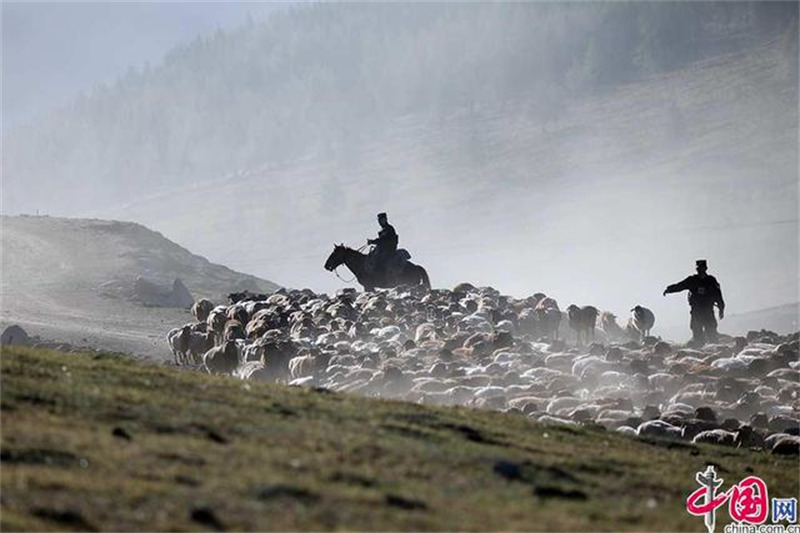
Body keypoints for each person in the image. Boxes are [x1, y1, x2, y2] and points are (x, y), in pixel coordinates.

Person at [663, 259, 725, 345]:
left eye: (702, 268)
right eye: (699, 269)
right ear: (697, 269)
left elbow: (718, 295)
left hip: (708, 311)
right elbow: (680, 286)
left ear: (706, 268)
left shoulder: (711, 281)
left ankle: (715, 351)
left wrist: (721, 308)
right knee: (697, 336)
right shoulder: (692, 280)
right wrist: (669, 289)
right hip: (696, 312)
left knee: (712, 335)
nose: (701, 270)